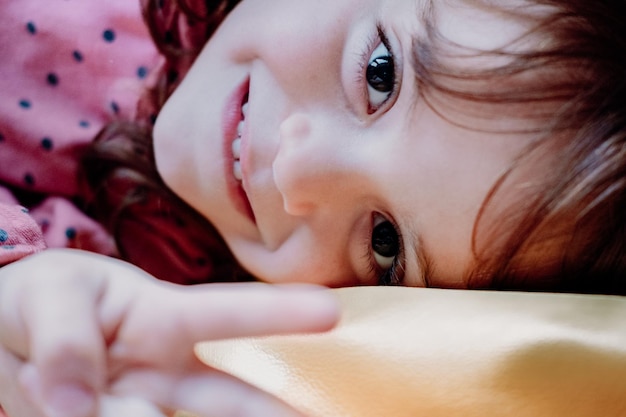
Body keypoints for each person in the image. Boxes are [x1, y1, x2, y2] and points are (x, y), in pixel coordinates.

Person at [0, 0, 624, 415]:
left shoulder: (150, 309)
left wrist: (18, 286)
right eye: (381, 73)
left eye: (385, 244)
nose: (297, 175)